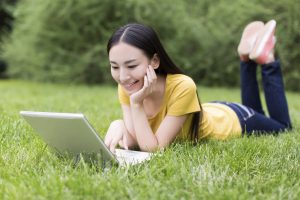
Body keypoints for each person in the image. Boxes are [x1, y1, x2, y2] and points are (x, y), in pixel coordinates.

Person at [104, 19, 292, 153]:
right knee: (257, 110)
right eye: (114, 66)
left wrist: (136, 105)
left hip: (236, 119)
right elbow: (137, 140)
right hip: (211, 110)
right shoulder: (128, 86)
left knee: (283, 127)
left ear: (154, 61)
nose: (122, 76)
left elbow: (153, 148)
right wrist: (118, 124)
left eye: (131, 65)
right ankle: (246, 59)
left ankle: (266, 62)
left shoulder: (183, 86)